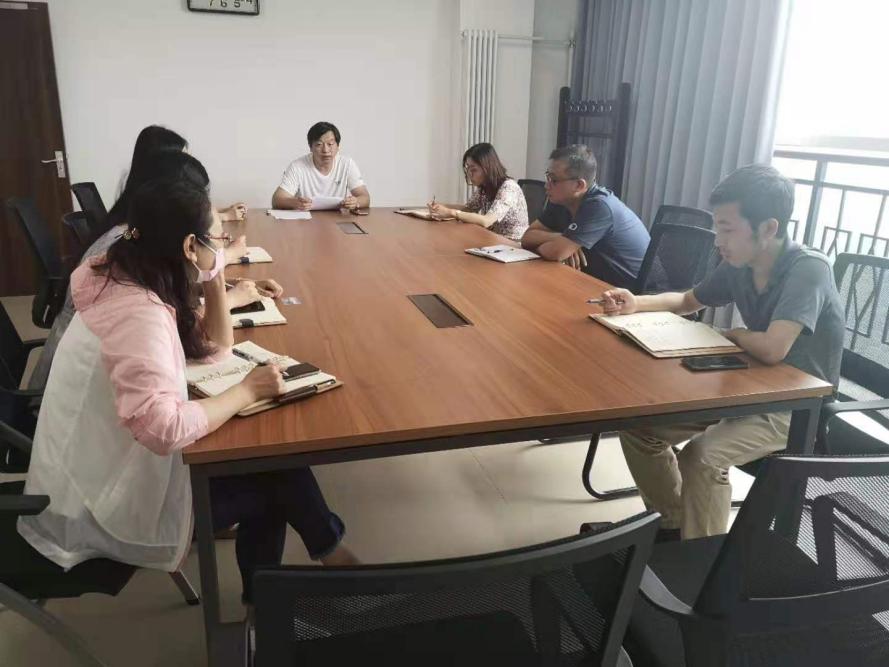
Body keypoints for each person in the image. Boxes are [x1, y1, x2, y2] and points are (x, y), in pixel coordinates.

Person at [18, 176, 356, 607]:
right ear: (189, 247)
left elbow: (215, 350)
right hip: (99, 504)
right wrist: (245, 392)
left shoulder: (125, 274)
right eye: (218, 239)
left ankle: (308, 575)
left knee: (273, 465)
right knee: (276, 477)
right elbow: (164, 429)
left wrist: (215, 275)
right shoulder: (139, 313)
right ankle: (312, 576)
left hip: (92, 471)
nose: (224, 245)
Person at [595, 164, 843, 541]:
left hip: (797, 407)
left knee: (703, 457)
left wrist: (733, 334)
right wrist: (636, 303)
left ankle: (702, 551)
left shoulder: (808, 269)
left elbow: (773, 348)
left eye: (727, 229)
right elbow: (687, 300)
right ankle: (674, 522)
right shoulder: (741, 263)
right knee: (639, 429)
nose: (718, 241)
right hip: (746, 387)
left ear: (768, 228)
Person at [28, 150, 282, 391]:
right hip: (59, 388)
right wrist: (222, 285)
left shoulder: (135, 244)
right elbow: (167, 417)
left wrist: (222, 279)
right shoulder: (138, 300)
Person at [521, 145, 650, 288]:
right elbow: (527, 238)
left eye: (554, 180)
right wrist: (563, 238)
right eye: (548, 176)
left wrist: (562, 244)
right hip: (593, 283)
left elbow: (555, 253)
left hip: (631, 293)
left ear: (579, 185)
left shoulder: (600, 206)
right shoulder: (560, 200)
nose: (547, 185)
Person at [107, 125, 247, 227]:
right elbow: (180, 227)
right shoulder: (135, 226)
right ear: (163, 167)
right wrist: (225, 216)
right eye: (182, 158)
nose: (188, 165)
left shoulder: (136, 202)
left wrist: (222, 211)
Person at [426, 143, 529, 242]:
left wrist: (450, 212)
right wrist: (441, 207)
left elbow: (486, 221)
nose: (469, 174)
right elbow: (468, 209)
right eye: (468, 168)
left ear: (488, 169)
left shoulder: (509, 188)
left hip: (512, 245)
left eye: (474, 170)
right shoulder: (484, 187)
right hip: (493, 240)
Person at [272, 121, 370, 211]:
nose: (325, 150)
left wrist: (355, 202)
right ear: (310, 147)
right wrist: (295, 202)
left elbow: (365, 197)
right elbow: (277, 200)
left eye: (330, 144)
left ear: (338, 146)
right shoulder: (297, 166)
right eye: (319, 144)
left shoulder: (347, 164)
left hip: (338, 219)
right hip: (305, 220)